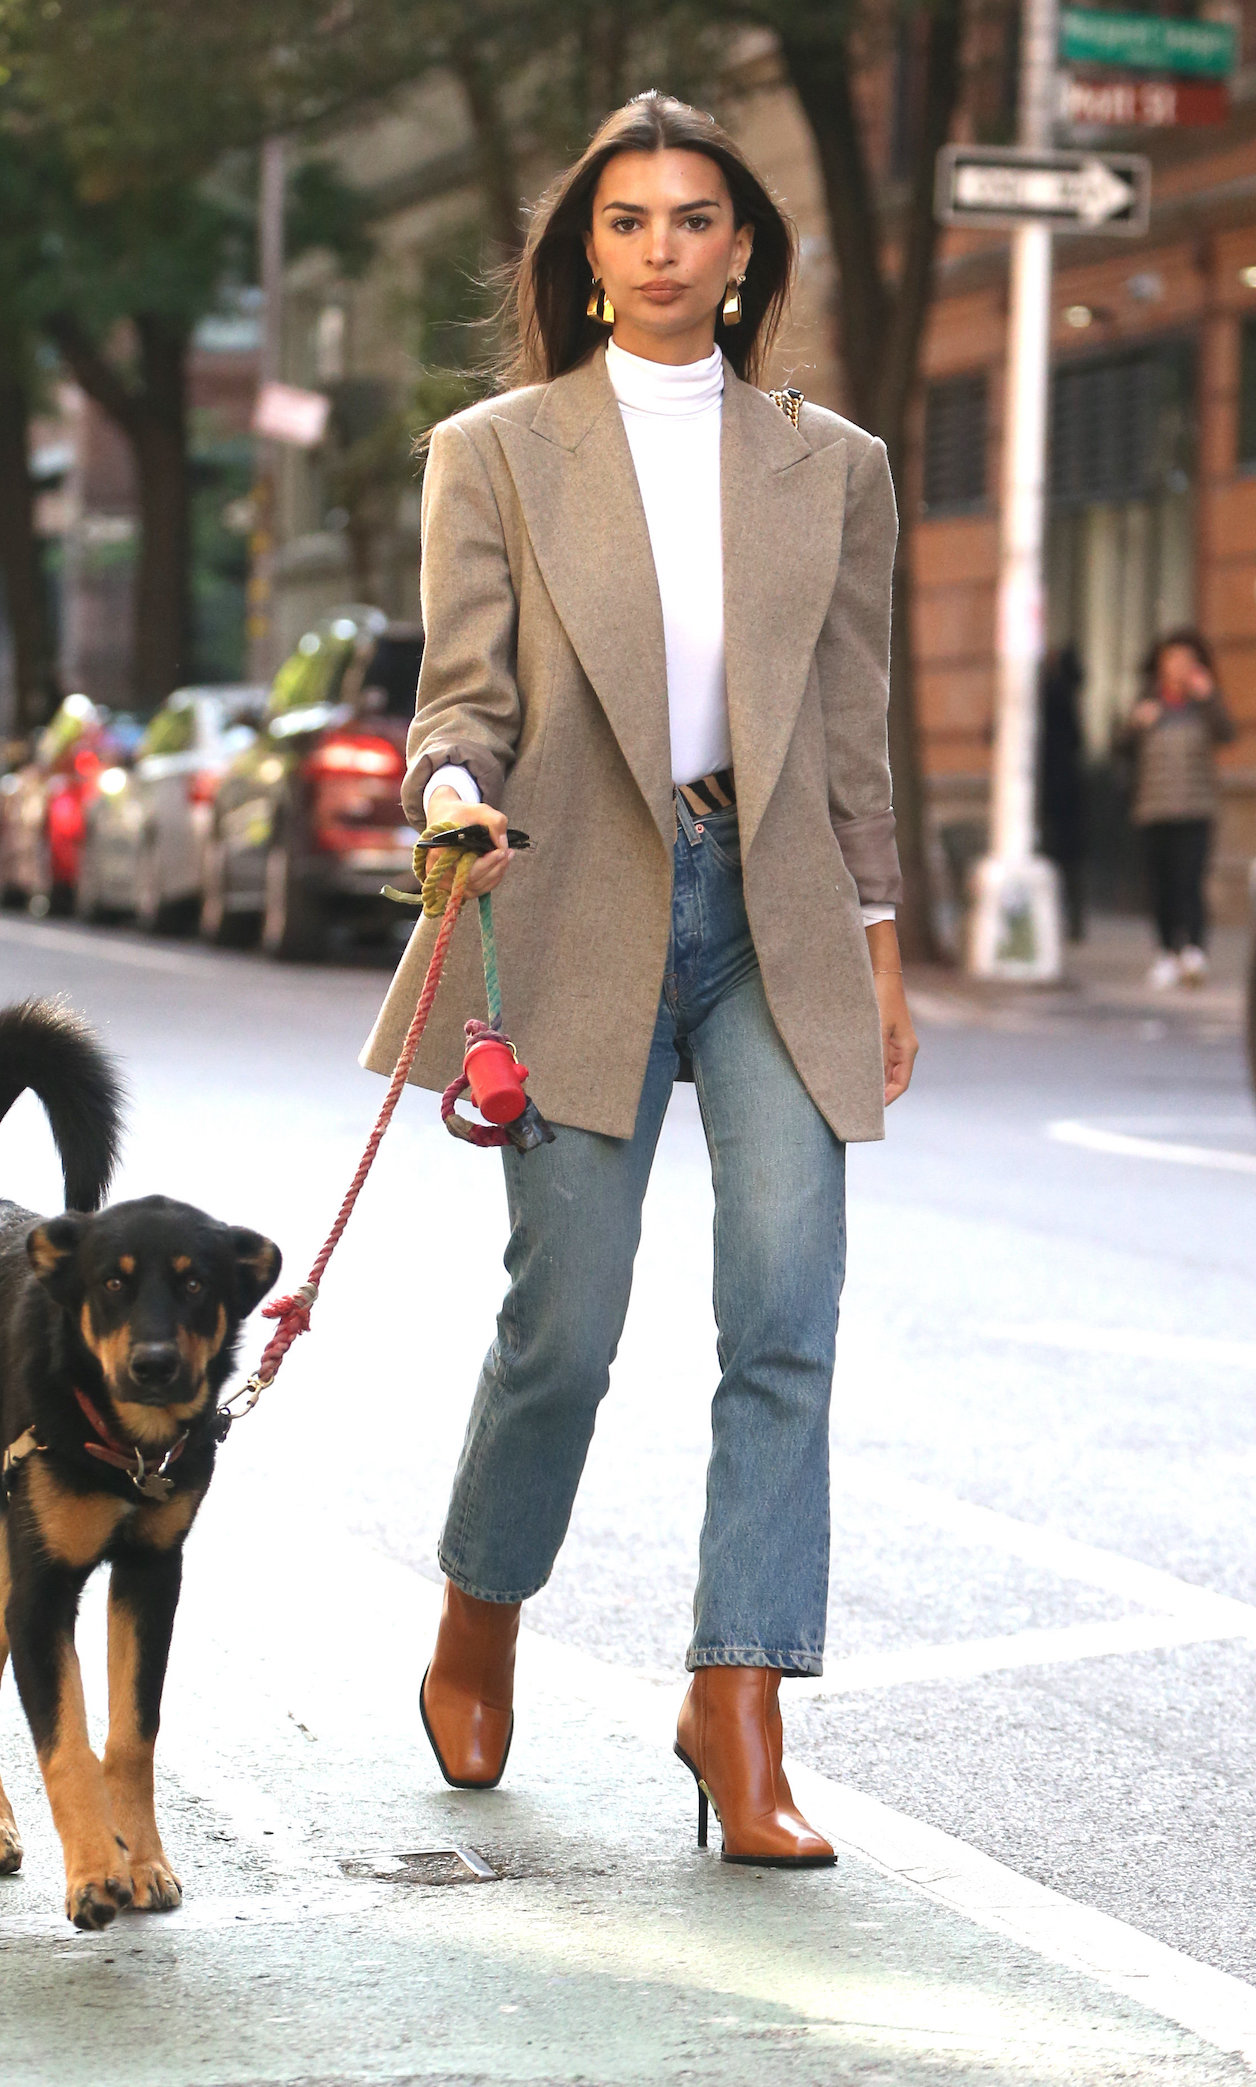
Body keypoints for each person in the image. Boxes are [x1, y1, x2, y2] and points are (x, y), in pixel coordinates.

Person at [361, 93, 917, 1867]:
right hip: (579, 902)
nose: (665, 245)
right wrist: (452, 792)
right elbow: (461, 702)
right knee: (568, 1329)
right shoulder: (498, 450)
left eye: (697, 217)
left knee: (784, 1314)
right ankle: (480, 1603)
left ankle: (737, 1698)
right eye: (629, 221)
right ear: (586, 256)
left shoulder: (833, 462)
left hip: (777, 917)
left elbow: (849, 730)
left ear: (745, 247)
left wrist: (885, 951)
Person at [1122, 628, 1235, 989]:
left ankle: (1194, 951)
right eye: (1172, 659)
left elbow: (1229, 733)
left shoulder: (1203, 705)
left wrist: (1210, 697)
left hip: (1196, 808)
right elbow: (1118, 746)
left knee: (1190, 881)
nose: (1178, 667)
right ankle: (1168, 952)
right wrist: (1136, 723)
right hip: (1153, 808)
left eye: (1186, 660)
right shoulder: (1148, 703)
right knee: (1161, 886)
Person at [1038, 644, 1086, 943]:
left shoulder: (1048, 694)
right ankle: (1070, 920)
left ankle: (1064, 919)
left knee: (1060, 856)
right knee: (1068, 859)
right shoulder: (1060, 695)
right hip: (1062, 789)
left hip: (1054, 790)